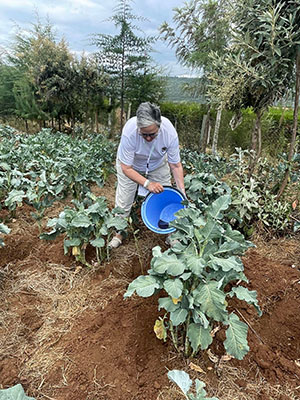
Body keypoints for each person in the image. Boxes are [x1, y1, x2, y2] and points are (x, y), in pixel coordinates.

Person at [108, 102, 185, 249]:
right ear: (138, 128)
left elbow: (175, 165)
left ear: (159, 126)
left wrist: (182, 192)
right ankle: (119, 233)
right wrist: (147, 184)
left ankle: (171, 235)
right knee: (124, 200)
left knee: (165, 193)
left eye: (152, 134)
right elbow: (126, 167)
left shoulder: (169, 133)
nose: (148, 138)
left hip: (157, 164)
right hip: (131, 165)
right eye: (144, 135)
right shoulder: (130, 132)